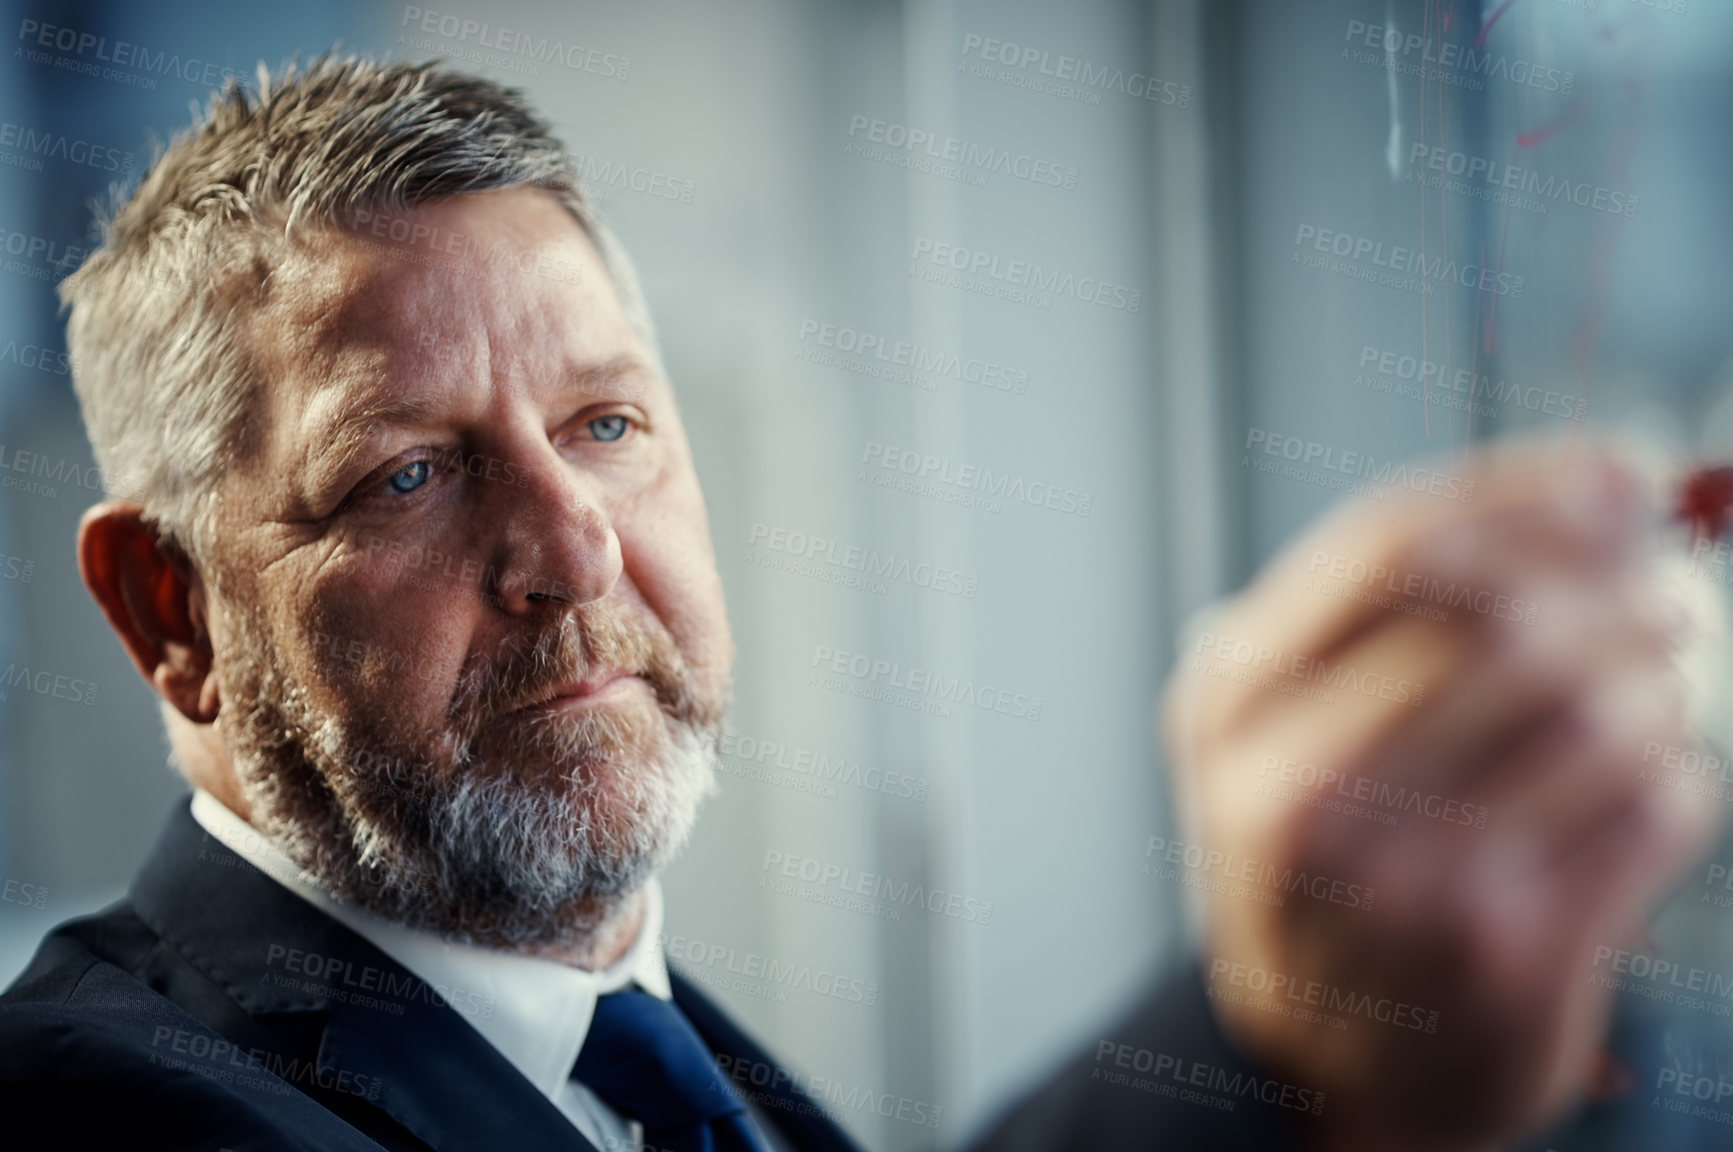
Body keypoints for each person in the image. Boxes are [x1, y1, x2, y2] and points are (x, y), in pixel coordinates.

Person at [0, 54, 1719, 1152]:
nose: (575, 550)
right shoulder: (92, 1109)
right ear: (174, 612)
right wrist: (1269, 1048)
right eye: (408, 475)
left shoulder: (683, 1083)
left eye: (606, 427)